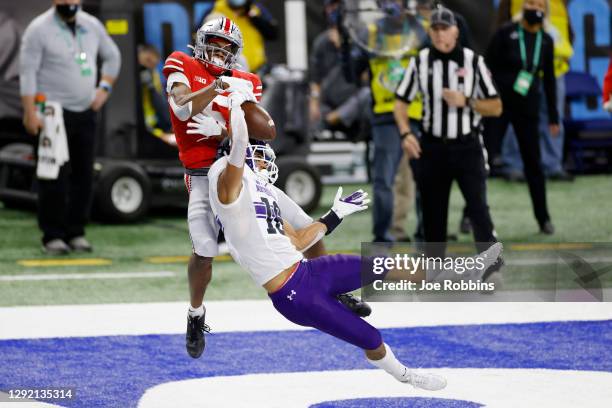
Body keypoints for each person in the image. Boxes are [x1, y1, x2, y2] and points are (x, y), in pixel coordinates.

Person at [206, 86, 495, 389]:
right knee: (370, 337)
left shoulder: (261, 193)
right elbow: (238, 147)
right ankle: (407, 376)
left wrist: (334, 216)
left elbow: (299, 241)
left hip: (309, 271)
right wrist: (236, 108)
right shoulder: (227, 184)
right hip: (294, 295)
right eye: (260, 156)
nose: (266, 162)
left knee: (383, 263)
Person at [162, 17, 367, 360]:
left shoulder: (246, 80)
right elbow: (181, 109)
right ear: (200, 42)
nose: (220, 50)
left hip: (240, 168)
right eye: (215, 42)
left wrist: (233, 117)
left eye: (228, 47)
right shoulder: (182, 63)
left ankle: (328, 286)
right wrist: (217, 89)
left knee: (304, 225)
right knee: (204, 247)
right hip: (200, 172)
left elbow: (264, 131)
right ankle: (196, 314)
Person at [394, 6, 501, 260]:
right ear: (430, 33)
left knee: (478, 210)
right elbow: (401, 103)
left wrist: (467, 101)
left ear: (456, 31)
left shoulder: (474, 61)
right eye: (436, 29)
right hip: (433, 147)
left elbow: (496, 107)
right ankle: (435, 269)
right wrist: (406, 134)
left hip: (468, 146)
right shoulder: (419, 62)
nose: (441, 35)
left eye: (445, 29)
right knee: (433, 213)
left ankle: (492, 267)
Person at [19, 0, 121, 254]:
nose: (70, 3)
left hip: (85, 112)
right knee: (53, 175)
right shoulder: (38, 29)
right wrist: (30, 112)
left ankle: (76, 231)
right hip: (51, 113)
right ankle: (52, 235)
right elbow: (27, 72)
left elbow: (113, 56)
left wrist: (104, 88)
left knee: (84, 175)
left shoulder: (91, 25)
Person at [348, 0, 428, 243]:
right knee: (384, 180)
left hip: (421, 114)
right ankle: (382, 236)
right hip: (385, 115)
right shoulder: (370, 33)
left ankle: (427, 232)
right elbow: (352, 73)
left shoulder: (421, 28)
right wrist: (346, 49)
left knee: (426, 179)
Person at [484, 0, 559, 234]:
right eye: (529, 2)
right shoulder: (506, 33)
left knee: (533, 163)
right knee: (481, 162)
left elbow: (549, 81)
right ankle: (471, 215)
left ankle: (543, 218)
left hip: (528, 109)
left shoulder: (546, 40)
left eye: (538, 3)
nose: (534, 7)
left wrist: (554, 117)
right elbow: (486, 67)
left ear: (545, 9)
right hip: (499, 107)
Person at [497, 0, 574, 181]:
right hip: (523, 71)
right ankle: (513, 164)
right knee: (516, 116)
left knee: (553, 118)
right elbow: (502, 23)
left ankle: (552, 165)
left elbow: (566, 27)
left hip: (554, 70)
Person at [309, 0, 371, 137]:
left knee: (366, 95)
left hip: (352, 99)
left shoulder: (358, 37)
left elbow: (364, 75)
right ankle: (324, 126)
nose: (333, 10)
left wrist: (343, 47)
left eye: (336, 6)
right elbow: (315, 78)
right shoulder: (321, 42)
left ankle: (332, 120)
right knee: (311, 107)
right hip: (328, 101)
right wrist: (313, 103)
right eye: (330, 7)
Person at [209, 0, 278, 73]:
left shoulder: (256, 8)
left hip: (257, 69)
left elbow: (273, 34)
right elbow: (202, 34)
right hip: (226, 69)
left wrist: (254, 17)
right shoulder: (216, 8)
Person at [138, 44, 175, 146]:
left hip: (153, 126)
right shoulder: (131, 75)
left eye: (152, 65)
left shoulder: (153, 74)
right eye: (147, 61)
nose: (149, 67)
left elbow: (159, 102)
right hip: (145, 129)